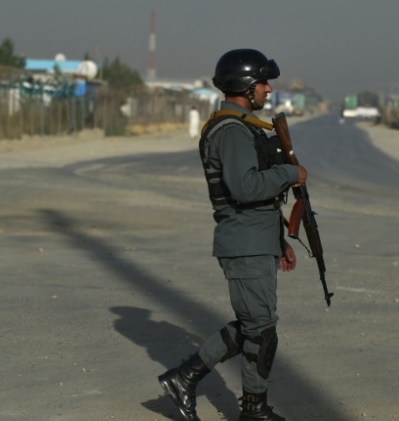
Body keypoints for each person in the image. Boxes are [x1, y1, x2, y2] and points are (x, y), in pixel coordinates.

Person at [157, 48, 308, 421]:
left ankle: (189, 380)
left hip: (255, 241)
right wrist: (292, 174)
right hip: (243, 242)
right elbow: (244, 188)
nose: (268, 90)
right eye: (263, 83)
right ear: (246, 85)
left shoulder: (242, 127)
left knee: (255, 327)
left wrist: (279, 241)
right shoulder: (233, 131)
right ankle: (247, 408)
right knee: (260, 330)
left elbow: (258, 199)